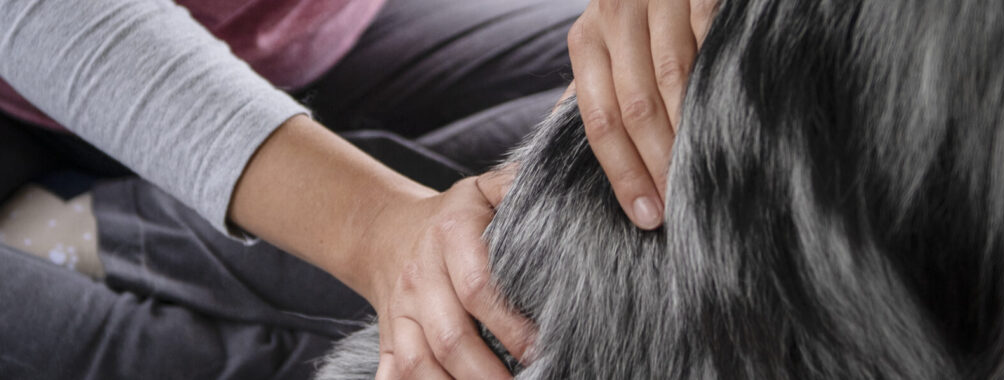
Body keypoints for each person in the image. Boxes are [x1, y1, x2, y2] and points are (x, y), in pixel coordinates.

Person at [0, 0, 716, 379]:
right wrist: (377, 231)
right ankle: (96, 235)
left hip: (314, 33)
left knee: (672, 120)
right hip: (45, 61)